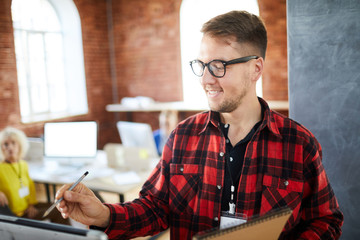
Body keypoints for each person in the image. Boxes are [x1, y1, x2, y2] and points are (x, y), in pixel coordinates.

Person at [55, 11, 343, 239]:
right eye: (201, 65)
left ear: (255, 68)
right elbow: (156, 208)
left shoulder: (299, 144)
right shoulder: (182, 136)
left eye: (219, 66)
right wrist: (104, 215)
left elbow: (326, 220)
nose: (205, 79)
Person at [0, 127, 69, 225]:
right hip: (17, 216)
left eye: (13, 143)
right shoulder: (1, 168)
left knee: (58, 206)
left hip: (28, 207)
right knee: (57, 211)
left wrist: (31, 205)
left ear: (20, 145)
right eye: (5, 144)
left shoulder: (23, 164)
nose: (10, 147)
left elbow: (30, 187)